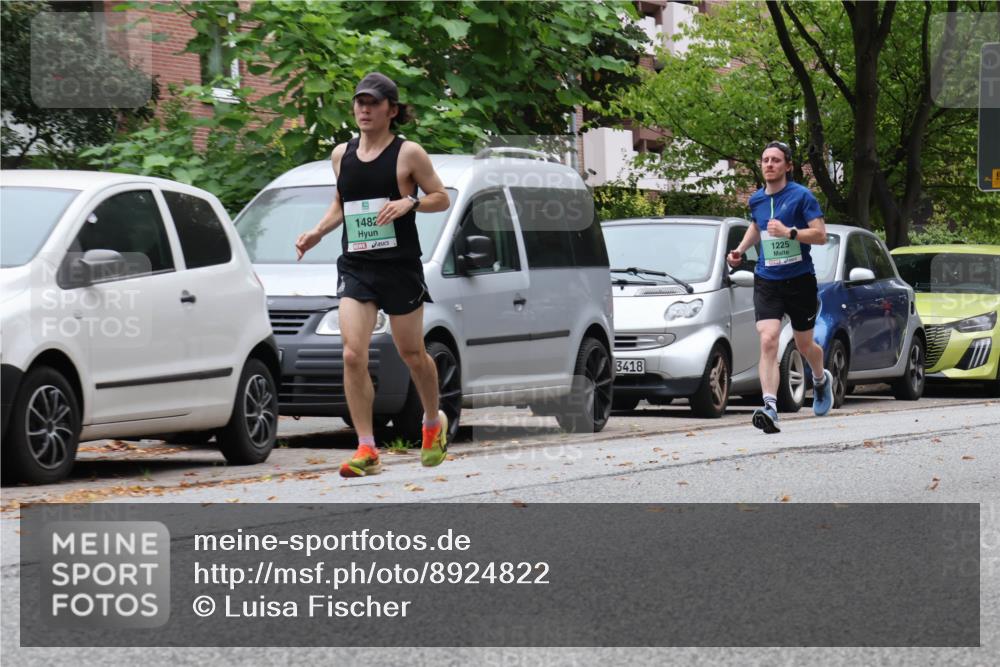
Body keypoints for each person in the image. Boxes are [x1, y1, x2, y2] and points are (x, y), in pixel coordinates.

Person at [295, 72, 451, 476]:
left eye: (373, 103)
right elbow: (341, 204)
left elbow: (441, 198)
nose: (364, 109)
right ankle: (367, 448)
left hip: (399, 266)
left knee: (412, 354)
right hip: (357, 266)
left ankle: (433, 423)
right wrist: (317, 231)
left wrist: (409, 204)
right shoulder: (340, 155)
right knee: (351, 353)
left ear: (391, 110)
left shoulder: (408, 154)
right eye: (359, 102)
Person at [727, 140, 833, 433]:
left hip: (799, 281)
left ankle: (821, 379)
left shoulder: (802, 196)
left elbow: (821, 235)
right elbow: (756, 226)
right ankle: (770, 407)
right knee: (768, 338)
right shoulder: (756, 200)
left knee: (803, 344)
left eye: (775, 160)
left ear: (787, 165)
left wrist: (790, 232)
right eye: (765, 160)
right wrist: (739, 250)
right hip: (767, 279)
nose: (769, 164)